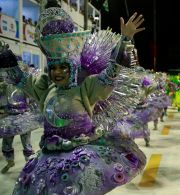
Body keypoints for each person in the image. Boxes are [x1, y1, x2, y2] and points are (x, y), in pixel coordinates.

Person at [1, 4, 146, 195]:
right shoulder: (44, 89)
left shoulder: (86, 88)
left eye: (63, 67)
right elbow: (22, 80)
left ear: (72, 67)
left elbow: (110, 73)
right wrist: (7, 59)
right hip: (47, 159)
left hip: (80, 160)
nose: (57, 72)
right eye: (53, 68)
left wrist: (125, 39)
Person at [0, 56, 42, 174]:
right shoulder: (5, 85)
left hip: (24, 116)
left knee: (26, 143)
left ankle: (29, 163)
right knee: (7, 141)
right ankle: (9, 161)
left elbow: (33, 99)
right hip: (9, 117)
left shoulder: (24, 85)